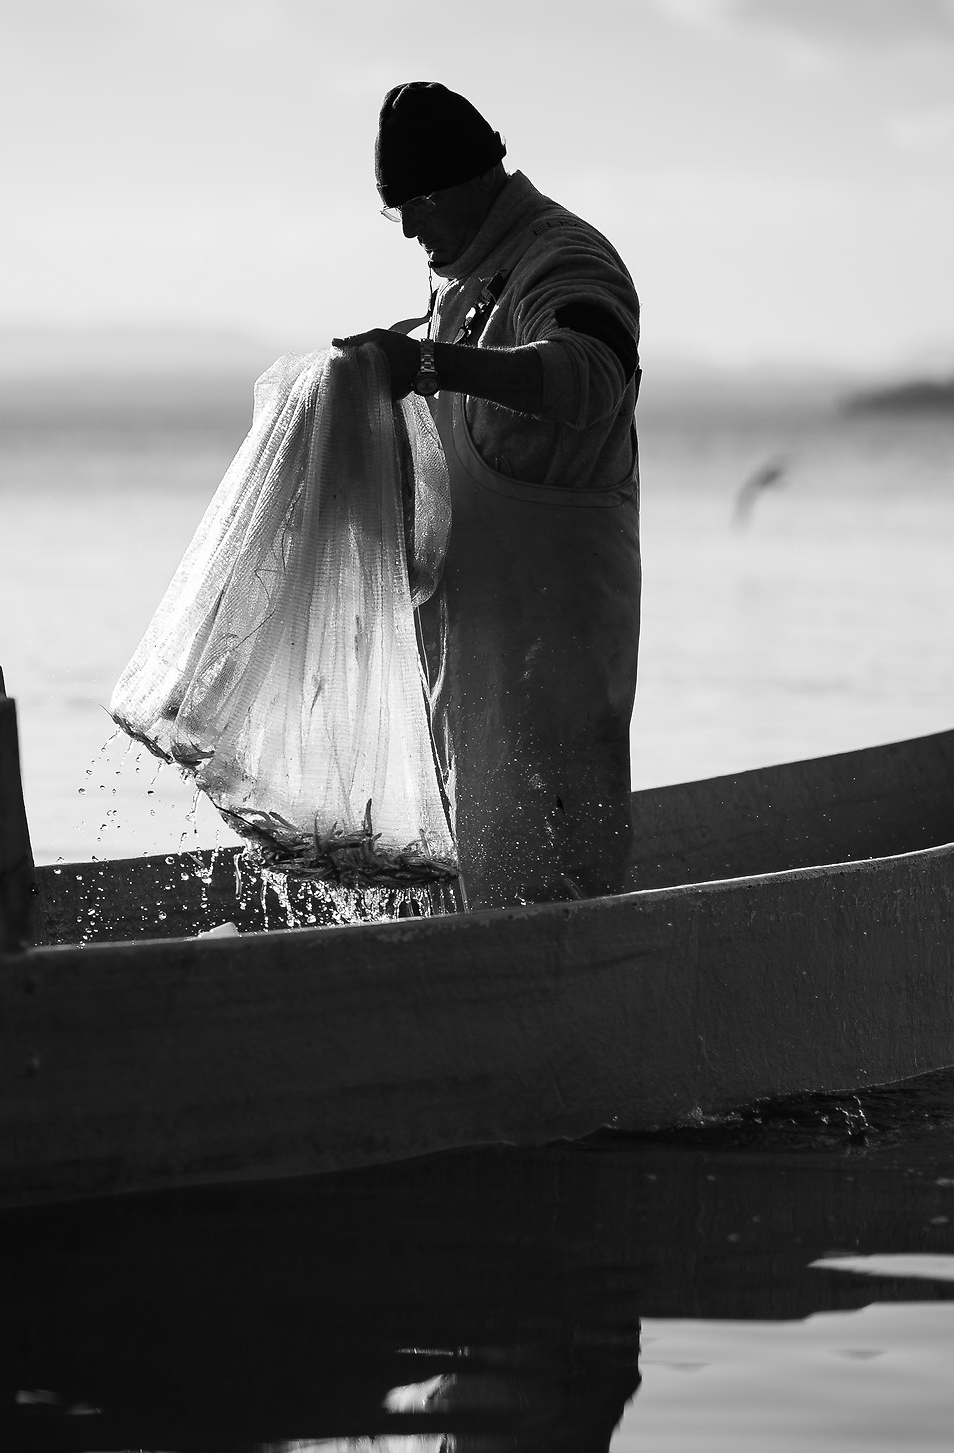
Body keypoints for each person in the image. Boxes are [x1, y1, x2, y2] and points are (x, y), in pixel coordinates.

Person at [336, 82, 642, 908]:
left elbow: (592, 372)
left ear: (474, 180)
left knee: (556, 886)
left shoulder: (565, 258)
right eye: (395, 210)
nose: (410, 229)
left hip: (557, 664)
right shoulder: (459, 281)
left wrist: (428, 364)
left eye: (419, 205)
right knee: (473, 872)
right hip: (467, 662)